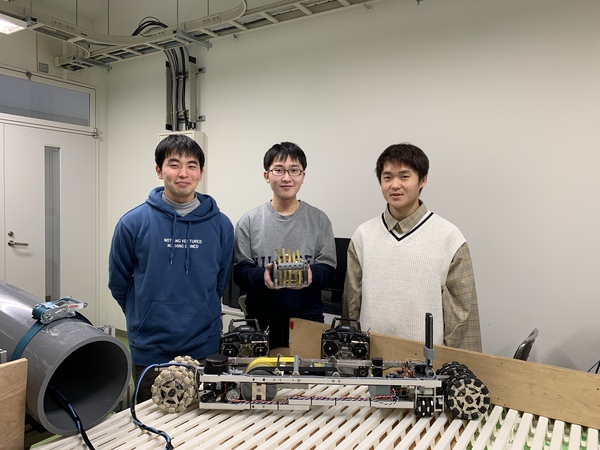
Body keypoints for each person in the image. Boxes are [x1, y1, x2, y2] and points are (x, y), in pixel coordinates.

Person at [109, 134, 234, 401]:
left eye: (191, 165)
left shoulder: (221, 225)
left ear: (200, 172)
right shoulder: (133, 223)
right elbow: (119, 283)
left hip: (204, 345)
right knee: (151, 420)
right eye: (174, 164)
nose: (183, 173)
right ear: (159, 170)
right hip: (151, 348)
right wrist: (144, 315)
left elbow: (220, 282)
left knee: (204, 420)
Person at [343, 143, 482, 351]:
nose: (395, 185)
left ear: (423, 180)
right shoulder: (362, 235)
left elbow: (462, 318)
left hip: (426, 362)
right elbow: (351, 305)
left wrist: (458, 365)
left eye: (404, 176)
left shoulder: (450, 238)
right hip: (370, 357)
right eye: (387, 177)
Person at [233, 141, 337, 348]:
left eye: (294, 170)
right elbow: (240, 273)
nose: (287, 178)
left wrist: (310, 274)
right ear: (267, 175)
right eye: (279, 170)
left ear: (303, 176)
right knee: (260, 369)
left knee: (307, 369)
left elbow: (329, 271)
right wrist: (263, 275)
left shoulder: (319, 220)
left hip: (308, 323)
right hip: (260, 323)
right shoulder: (249, 221)